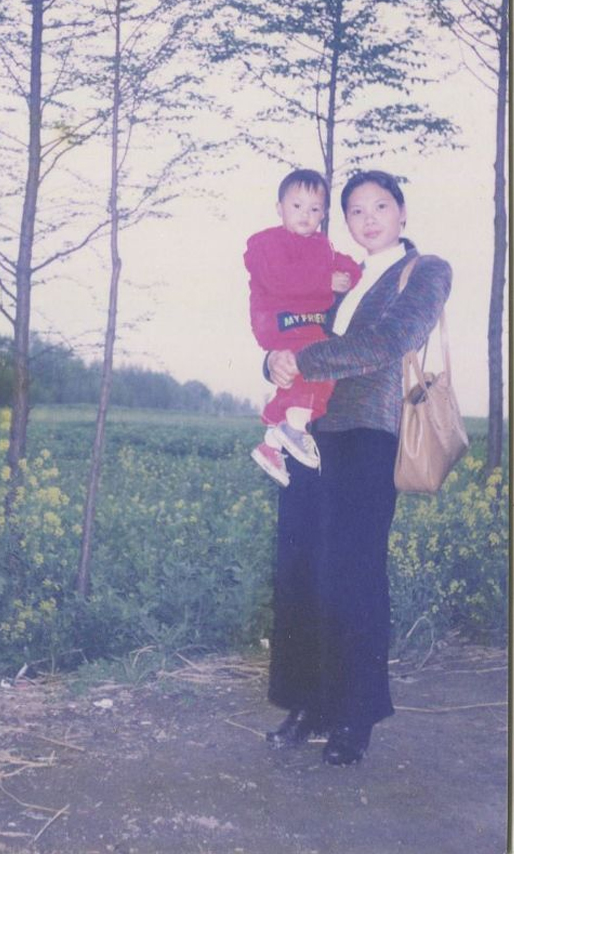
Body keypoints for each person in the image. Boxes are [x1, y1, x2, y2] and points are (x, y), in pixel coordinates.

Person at [262, 170, 452, 766]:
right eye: (356, 211)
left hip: (368, 433)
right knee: (300, 570)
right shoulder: (337, 277)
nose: (369, 219)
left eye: (381, 206)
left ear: (402, 212)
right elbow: (290, 323)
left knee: (354, 574)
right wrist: (273, 362)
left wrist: (304, 360)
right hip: (308, 434)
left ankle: (353, 716)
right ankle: (307, 704)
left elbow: (389, 341)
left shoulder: (425, 271)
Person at [243, 169, 361, 486]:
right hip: (280, 320)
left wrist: (349, 276)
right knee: (315, 368)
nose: (305, 215)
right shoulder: (267, 242)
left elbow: (344, 263)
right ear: (279, 207)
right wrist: (325, 281)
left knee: (311, 375)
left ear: (323, 215)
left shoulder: (322, 246)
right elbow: (280, 279)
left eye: (314, 209)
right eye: (297, 206)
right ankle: (294, 429)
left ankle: (272, 444)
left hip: (307, 326)